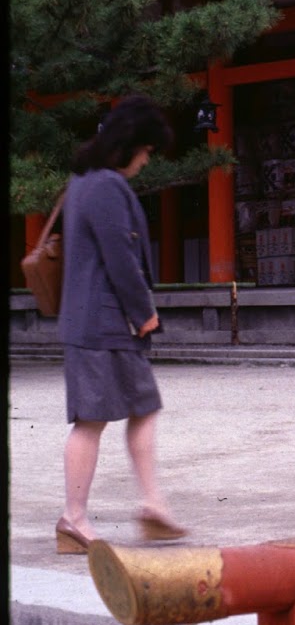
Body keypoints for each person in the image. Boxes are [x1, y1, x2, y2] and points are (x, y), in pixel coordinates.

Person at [55, 95, 187, 551]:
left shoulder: (83, 182)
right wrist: (144, 312)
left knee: (142, 407)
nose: (147, 160)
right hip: (104, 324)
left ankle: (153, 505)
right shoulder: (107, 186)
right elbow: (121, 259)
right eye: (147, 151)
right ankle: (74, 518)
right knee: (91, 421)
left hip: (98, 324)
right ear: (130, 145)